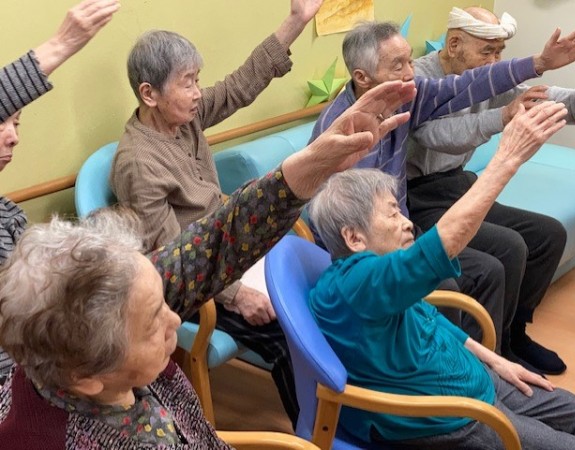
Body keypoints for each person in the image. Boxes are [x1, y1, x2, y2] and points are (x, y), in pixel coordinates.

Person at [0, 79, 417, 449]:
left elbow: (211, 245)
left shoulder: (88, 342)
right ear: (87, 378)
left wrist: (315, 162)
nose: (173, 316)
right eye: (152, 323)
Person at [309, 100, 575, 449]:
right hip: (447, 416)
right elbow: (441, 245)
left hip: (468, 377)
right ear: (354, 238)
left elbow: (430, 320)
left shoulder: (382, 281)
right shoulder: (361, 283)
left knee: (570, 409)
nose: (407, 222)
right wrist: (507, 158)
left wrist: (498, 361)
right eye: (392, 214)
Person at [309, 19, 575, 360]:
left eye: (410, 61)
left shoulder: (403, 97)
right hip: (366, 244)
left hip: (399, 222)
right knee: (452, 281)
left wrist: (539, 63)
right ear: (362, 77)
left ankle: (492, 359)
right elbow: (341, 227)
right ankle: (450, 368)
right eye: (398, 65)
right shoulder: (339, 132)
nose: (410, 73)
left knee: (496, 266)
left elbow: (466, 86)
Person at [110, 0, 323, 424]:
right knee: (287, 338)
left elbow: (241, 85)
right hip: (197, 281)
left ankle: (348, 410)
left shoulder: (182, 118)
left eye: (197, 80)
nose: (197, 93)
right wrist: (236, 294)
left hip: (229, 249)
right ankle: (316, 431)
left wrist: (296, 21)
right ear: (149, 94)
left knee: (320, 299)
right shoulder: (138, 163)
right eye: (187, 83)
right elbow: (173, 258)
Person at [408, 6, 575, 375]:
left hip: (458, 186)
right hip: (418, 198)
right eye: (488, 51)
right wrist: (503, 116)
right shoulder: (419, 78)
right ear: (454, 44)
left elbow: (537, 96)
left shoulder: (484, 75)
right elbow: (435, 134)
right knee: (510, 248)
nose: (495, 61)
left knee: (548, 235)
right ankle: (491, 354)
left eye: (500, 52)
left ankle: (513, 333)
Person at [0, 0, 121, 384]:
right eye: (1, 122)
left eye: (17, 123)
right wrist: (59, 45)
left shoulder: (9, 216)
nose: (13, 137)